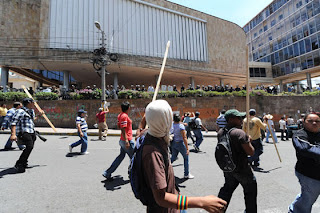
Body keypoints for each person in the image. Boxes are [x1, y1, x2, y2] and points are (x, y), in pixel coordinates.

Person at [140, 100, 226, 212]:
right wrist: (202, 202)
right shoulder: (153, 153)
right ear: (163, 121)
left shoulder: (148, 134)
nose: (170, 121)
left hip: (176, 202)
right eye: (168, 118)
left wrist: (148, 114)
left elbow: (141, 128)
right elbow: (161, 198)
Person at [217, 109, 257, 213]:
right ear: (230, 119)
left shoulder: (221, 132)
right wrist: (249, 141)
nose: (241, 119)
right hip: (242, 169)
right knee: (250, 192)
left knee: (227, 190)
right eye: (238, 118)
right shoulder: (239, 133)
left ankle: (217, 210)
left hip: (229, 167)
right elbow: (251, 152)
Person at [288, 113, 320, 213]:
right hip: (309, 174)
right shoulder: (300, 135)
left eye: (317, 121)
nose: (314, 123)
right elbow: (306, 149)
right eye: (310, 121)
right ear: (303, 122)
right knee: (308, 198)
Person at [102, 101, 135, 181]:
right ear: (128, 108)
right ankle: (132, 175)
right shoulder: (124, 116)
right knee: (134, 158)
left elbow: (119, 126)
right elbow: (123, 128)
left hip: (122, 140)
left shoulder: (120, 115)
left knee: (120, 157)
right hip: (127, 140)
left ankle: (107, 172)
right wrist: (127, 141)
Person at [10, 98, 43, 173]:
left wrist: (39, 115)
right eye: (33, 102)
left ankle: (24, 162)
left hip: (31, 131)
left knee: (29, 148)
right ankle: (19, 163)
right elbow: (13, 122)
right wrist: (13, 134)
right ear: (29, 102)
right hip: (24, 132)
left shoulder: (31, 111)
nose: (34, 104)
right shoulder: (20, 111)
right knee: (29, 146)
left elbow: (32, 120)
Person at [170, 113, 194, 179]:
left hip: (174, 142)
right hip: (180, 143)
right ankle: (186, 174)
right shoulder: (181, 127)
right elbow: (184, 137)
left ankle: (164, 167)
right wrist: (187, 148)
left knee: (173, 157)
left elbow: (175, 122)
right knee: (186, 158)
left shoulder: (172, 124)